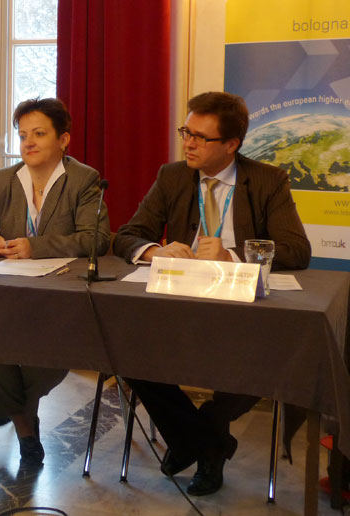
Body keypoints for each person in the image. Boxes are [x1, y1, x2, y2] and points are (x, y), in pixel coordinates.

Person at [113, 91, 311, 496]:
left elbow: (296, 250)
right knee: (124, 343)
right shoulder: (172, 176)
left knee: (270, 354)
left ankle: (199, 438)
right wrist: (155, 250)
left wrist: (233, 255)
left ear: (231, 145)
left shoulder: (267, 180)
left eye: (201, 137)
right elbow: (128, 236)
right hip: (179, 305)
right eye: (187, 131)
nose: (188, 143)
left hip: (242, 309)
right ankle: (208, 443)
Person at [0, 98, 111, 465]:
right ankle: (25, 425)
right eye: (22, 134)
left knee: (42, 356)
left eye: (39, 134)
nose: (27, 142)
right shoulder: (5, 179)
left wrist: (36, 247)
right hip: (8, 295)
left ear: (64, 140)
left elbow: (97, 237)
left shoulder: (84, 179)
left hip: (60, 298)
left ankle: (9, 407)